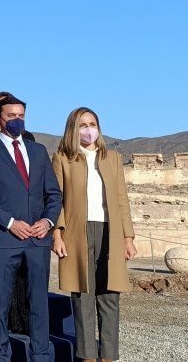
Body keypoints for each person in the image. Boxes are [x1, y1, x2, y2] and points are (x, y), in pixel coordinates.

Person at [0, 96, 63, 362]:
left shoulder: (38, 151)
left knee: (39, 304)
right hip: (3, 238)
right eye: (10, 115)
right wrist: (10, 222)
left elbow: (54, 194)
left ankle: (40, 355)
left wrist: (47, 221)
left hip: (38, 238)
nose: (16, 120)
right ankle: (0, 356)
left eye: (20, 115)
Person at [51, 108, 137, 362]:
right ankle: (87, 356)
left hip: (110, 230)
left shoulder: (112, 158)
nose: (89, 129)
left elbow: (122, 199)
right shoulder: (62, 158)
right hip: (77, 232)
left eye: (93, 123)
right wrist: (57, 235)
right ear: (73, 129)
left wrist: (128, 237)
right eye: (83, 125)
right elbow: (57, 200)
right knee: (83, 296)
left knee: (110, 295)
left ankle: (108, 356)